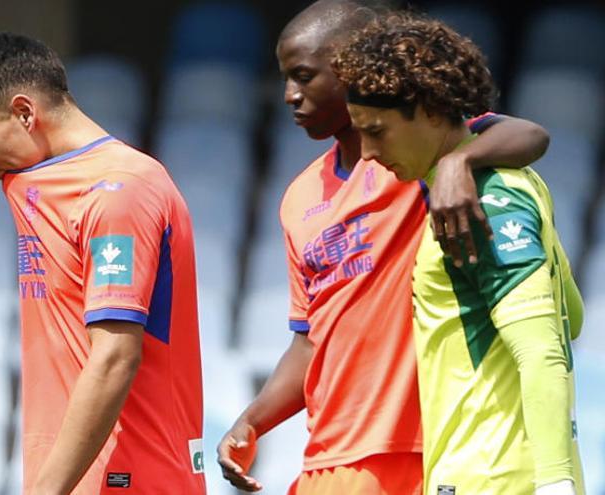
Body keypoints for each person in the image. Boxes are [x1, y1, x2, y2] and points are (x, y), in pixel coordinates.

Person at [217, 1, 552, 494]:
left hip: (417, 448)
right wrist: (254, 420)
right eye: (286, 79)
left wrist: (462, 163)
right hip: (329, 452)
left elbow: (530, 135)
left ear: (351, 69)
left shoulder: (412, 159)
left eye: (304, 76)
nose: (290, 94)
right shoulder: (299, 197)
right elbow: (310, 337)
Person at [0, 33, 206, 494]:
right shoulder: (46, 182)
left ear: (25, 113)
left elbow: (115, 356)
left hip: (132, 478)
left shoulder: (119, 190)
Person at [332, 11, 585, 495]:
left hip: (489, 477)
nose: (365, 152)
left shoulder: (485, 201)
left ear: (429, 110)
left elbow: (540, 350)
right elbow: (569, 318)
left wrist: (555, 484)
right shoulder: (506, 183)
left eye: (378, 131)